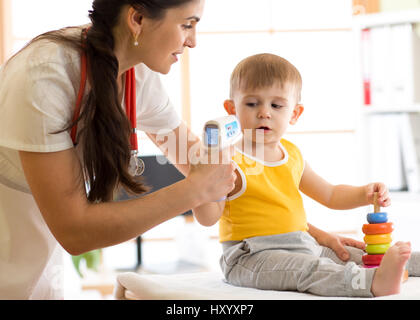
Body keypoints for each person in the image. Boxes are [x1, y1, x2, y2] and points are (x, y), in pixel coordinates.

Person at [0, 0, 240, 300]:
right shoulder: (44, 75)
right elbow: (73, 230)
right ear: (137, 18)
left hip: (43, 266)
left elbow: (200, 170)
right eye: (186, 25)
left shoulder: (137, 75)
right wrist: (194, 191)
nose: (193, 41)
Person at [193, 53, 420, 297]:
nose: (264, 113)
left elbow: (331, 194)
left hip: (303, 243)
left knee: (361, 255)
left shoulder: (291, 154)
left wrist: (363, 193)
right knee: (310, 269)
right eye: (251, 104)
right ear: (231, 110)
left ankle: (412, 263)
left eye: (276, 105)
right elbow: (207, 218)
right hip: (251, 256)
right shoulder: (229, 160)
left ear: (294, 114)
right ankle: (371, 283)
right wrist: (206, 172)